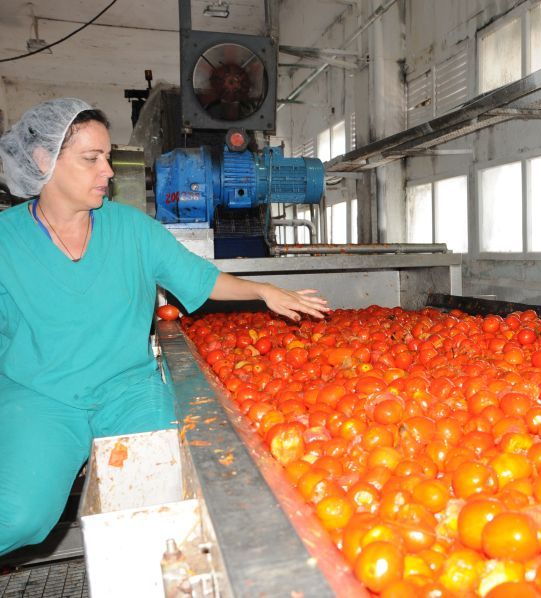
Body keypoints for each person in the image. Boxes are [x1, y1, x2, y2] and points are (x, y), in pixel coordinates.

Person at [0, 98, 330, 555]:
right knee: (20, 516)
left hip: (127, 390)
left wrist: (263, 291)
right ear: (43, 161)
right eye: (91, 159)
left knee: (158, 508)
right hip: (42, 395)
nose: (109, 172)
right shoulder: (5, 241)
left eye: (108, 158)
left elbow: (198, 276)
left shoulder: (132, 229)